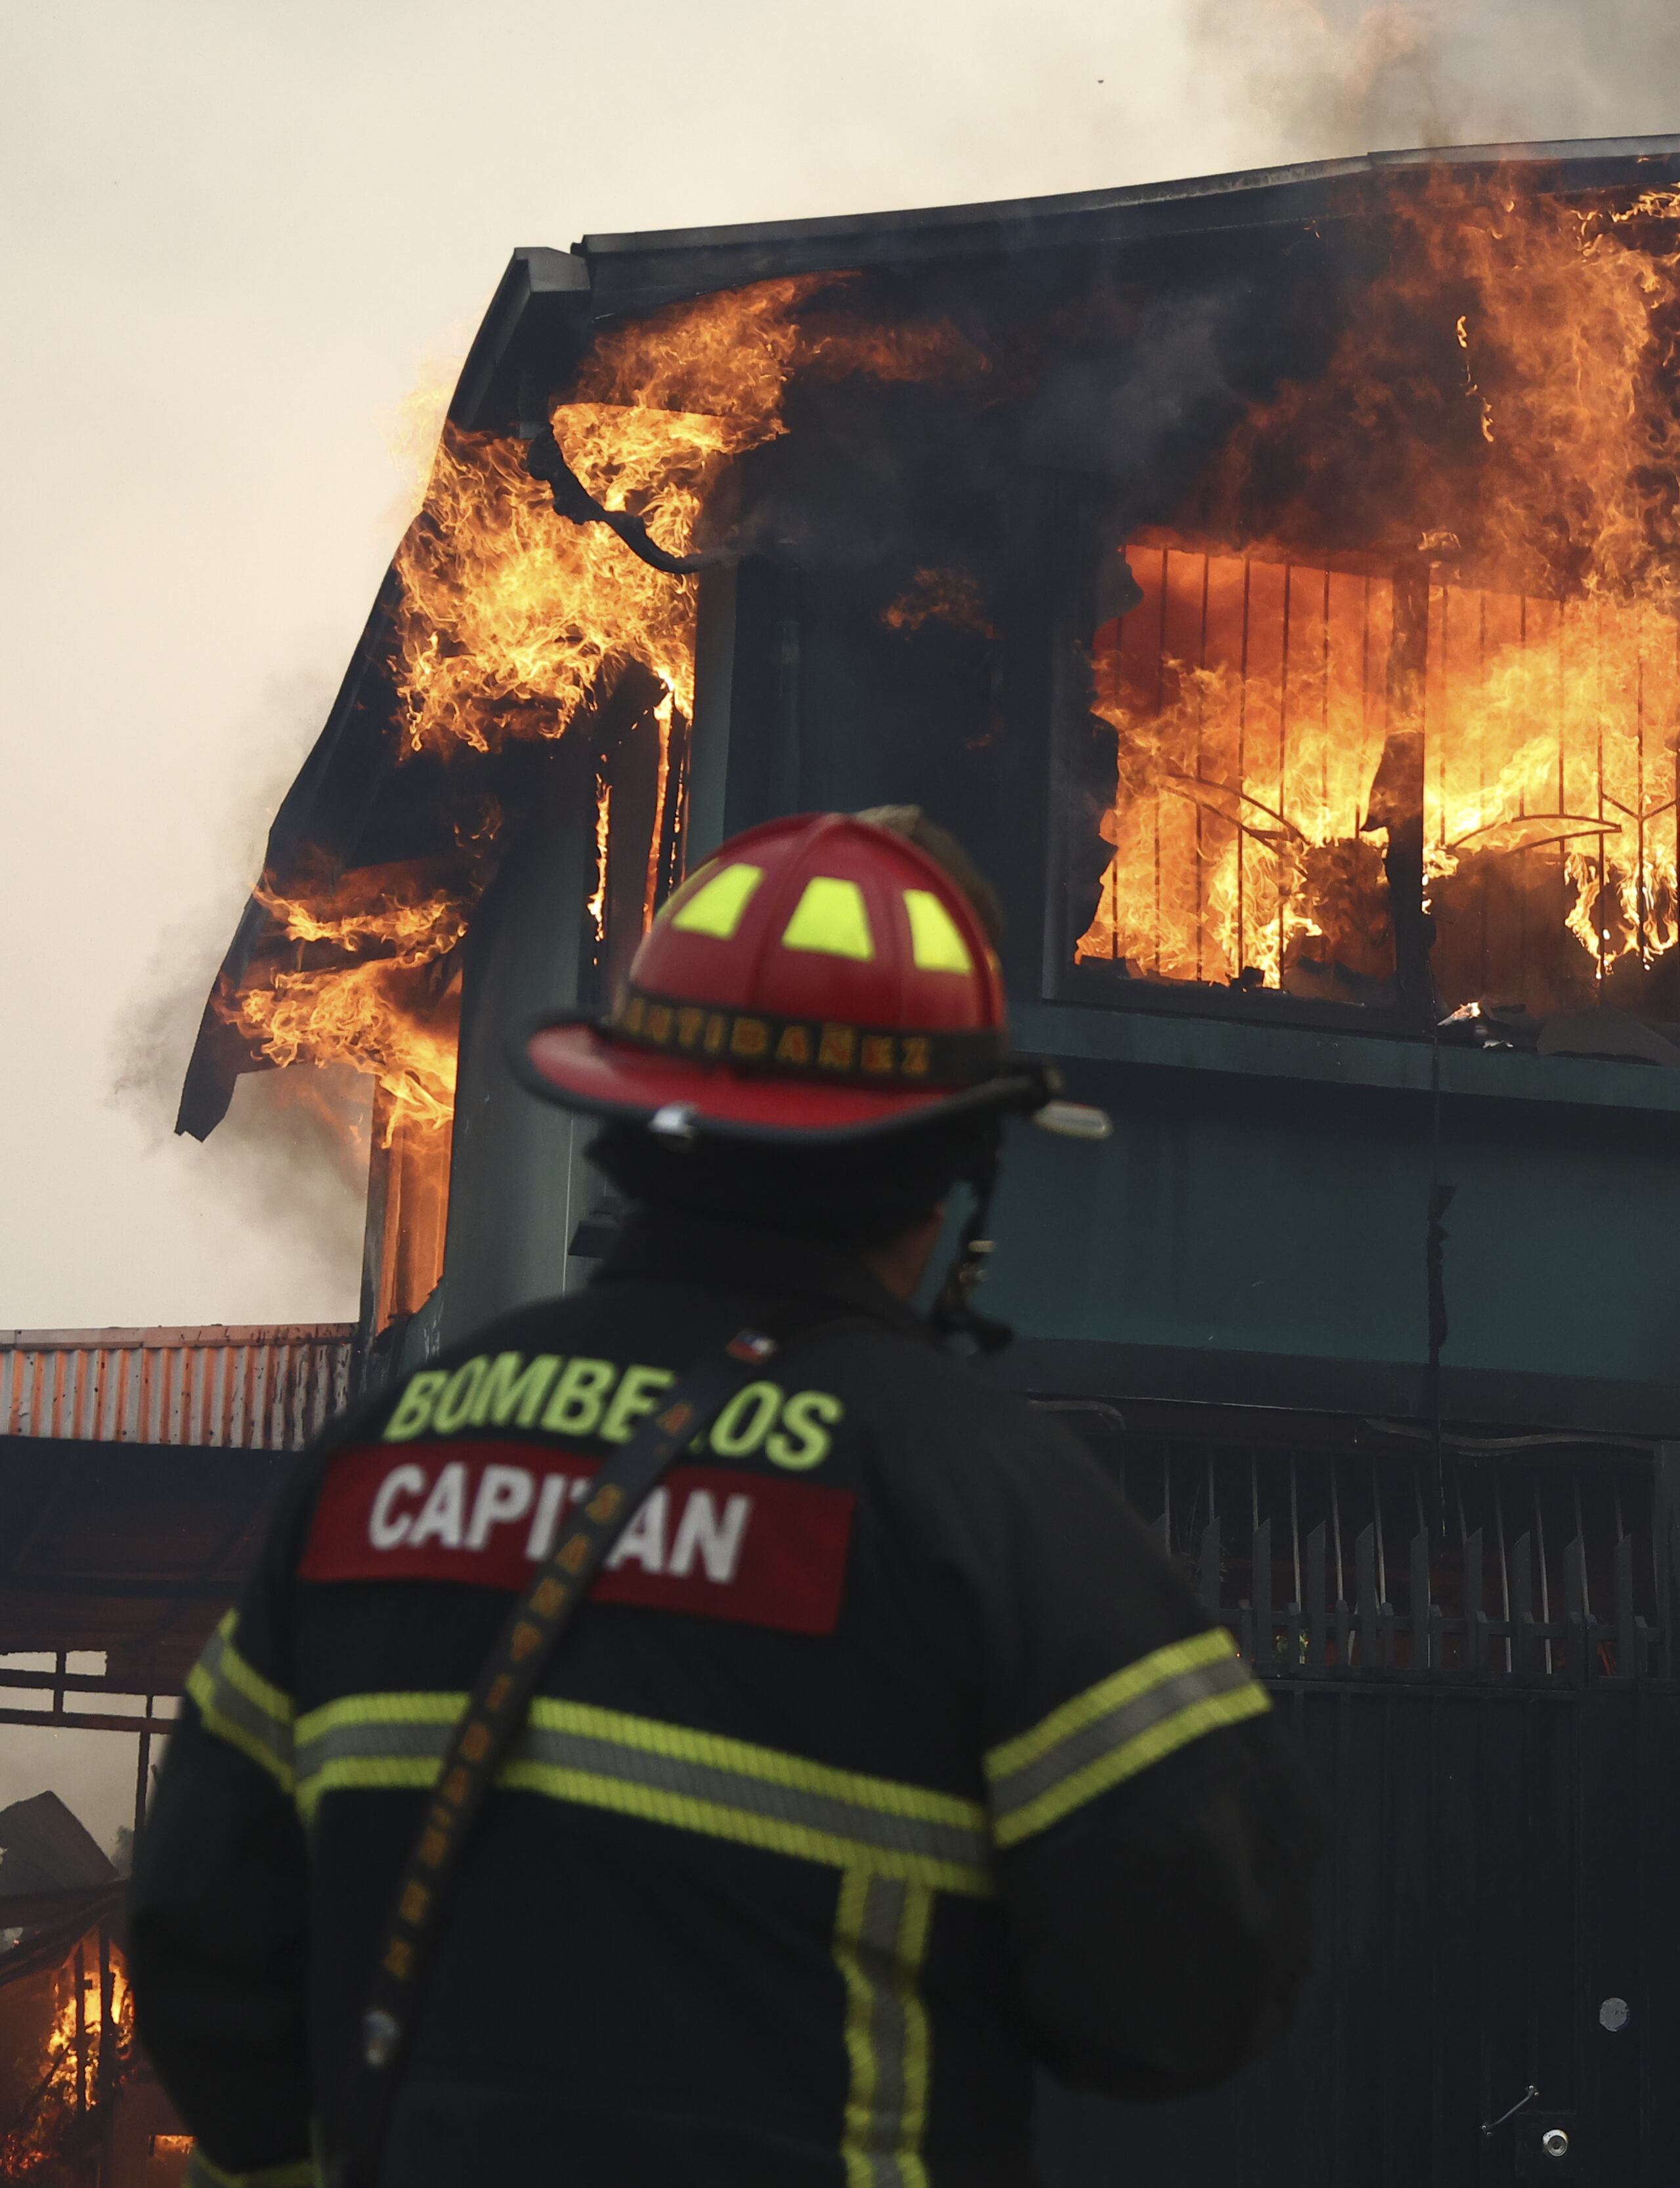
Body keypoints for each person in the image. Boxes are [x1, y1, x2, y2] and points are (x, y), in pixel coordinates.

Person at [131, 808, 1322, 2187]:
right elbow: (1193, 1994)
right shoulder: (988, 1504)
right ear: (949, 1177)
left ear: (632, 1125)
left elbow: (203, 1940)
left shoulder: (383, 1457)